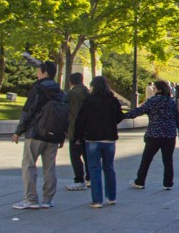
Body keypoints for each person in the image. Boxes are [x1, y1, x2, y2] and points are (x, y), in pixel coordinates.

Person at [11, 59, 66, 210]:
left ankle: (31, 199)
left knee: (29, 165)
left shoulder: (38, 89)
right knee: (49, 168)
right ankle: (48, 199)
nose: (37, 73)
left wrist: (18, 131)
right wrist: (61, 136)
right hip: (54, 135)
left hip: (36, 133)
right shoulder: (61, 93)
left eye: (39, 71)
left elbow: (29, 111)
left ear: (45, 72)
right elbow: (65, 115)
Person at [74, 76, 124, 208]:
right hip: (109, 139)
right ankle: (111, 196)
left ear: (94, 87)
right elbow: (120, 116)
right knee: (109, 167)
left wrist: (78, 137)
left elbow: (81, 120)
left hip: (93, 138)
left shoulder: (89, 101)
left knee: (94, 169)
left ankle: (97, 200)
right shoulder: (113, 101)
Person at [125, 80, 179, 190]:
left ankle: (140, 181)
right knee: (168, 160)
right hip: (169, 135)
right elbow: (177, 118)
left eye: (155, 88)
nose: (153, 90)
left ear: (159, 90)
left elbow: (138, 111)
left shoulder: (152, 101)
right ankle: (168, 183)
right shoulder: (171, 102)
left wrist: (123, 116)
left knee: (146, 159)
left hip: (154, 134)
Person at [65, 72, 90, 192]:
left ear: (71, 82)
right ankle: (89, 178)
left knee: (75, 156)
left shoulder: (71, 94)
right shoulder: (88, 92)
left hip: (75, 129)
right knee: (87, 155)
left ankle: (79, 179)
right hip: (88, 130)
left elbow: (68, 111)